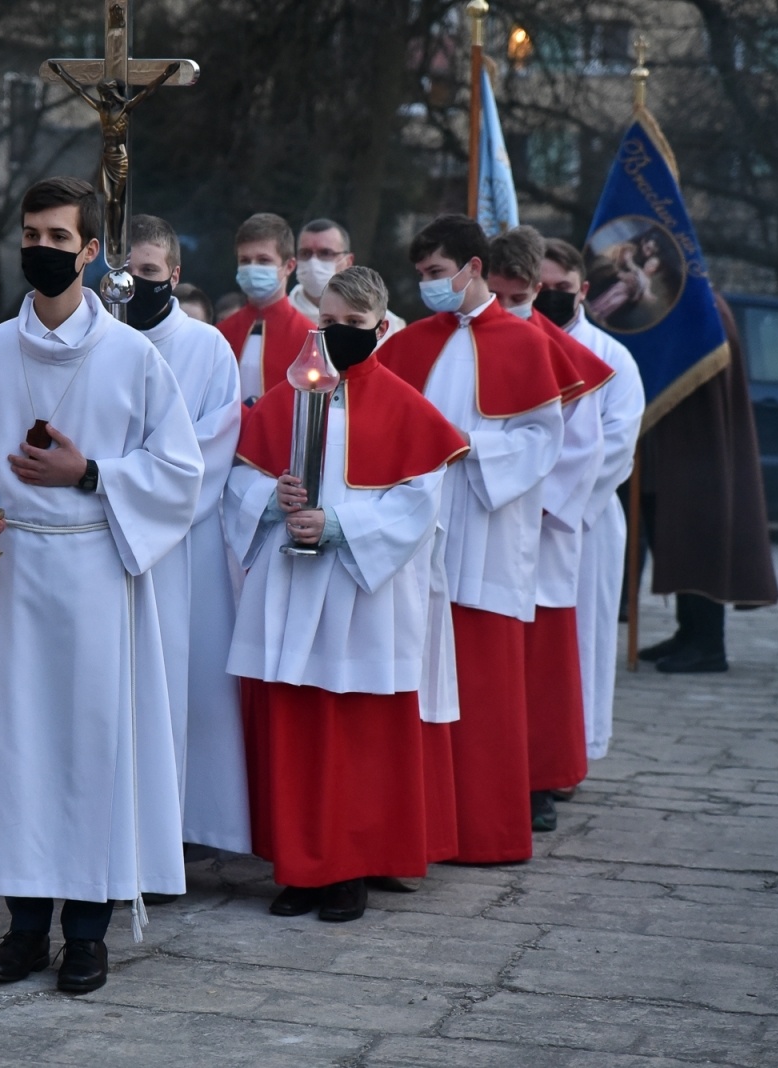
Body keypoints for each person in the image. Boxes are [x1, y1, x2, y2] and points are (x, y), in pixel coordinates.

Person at [0, 177, 203, 994]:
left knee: (88, 753)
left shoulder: (132, 358)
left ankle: (87, 934)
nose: (40, 249)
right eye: (30, 235)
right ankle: (22, 928)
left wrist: (90, 474)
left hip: (91, 577)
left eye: (57, 237)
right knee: (18, 752)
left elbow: (180, 473)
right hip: (9, 576)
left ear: (89, 252)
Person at [227, 266, 466, 920]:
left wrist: (340, 525)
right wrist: (271, 501)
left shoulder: (404, 405)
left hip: (362, 593)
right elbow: (238, 485)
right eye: (325, 323)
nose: (336, 335)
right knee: (295, 727)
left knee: (357, 736)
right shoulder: (283, 397)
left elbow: (418, 503)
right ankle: (299, 869)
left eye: (352, 326)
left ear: (380, 327)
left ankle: (349, 871)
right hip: (292, 586)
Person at [379, 214, 566, 865]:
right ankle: (426, 827)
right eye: (421, 276)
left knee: (484, 693)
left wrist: (471, 449)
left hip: (486, 529)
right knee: (419, 687)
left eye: (436, 274)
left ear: (474, 268)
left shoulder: (524, 343)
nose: (427, 286)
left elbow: (544, 438)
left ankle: (487, 834)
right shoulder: (408, 343)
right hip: (421, 531)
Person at [126, 214, 249, 862]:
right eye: (129, 272)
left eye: (151, 273)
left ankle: (185, 832)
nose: (139, 285)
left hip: (184, 546)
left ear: (173, 275)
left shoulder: (207, 349)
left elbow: (210, 450)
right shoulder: (101, 341)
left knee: (186, 686)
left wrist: (124, 489)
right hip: (107, 536)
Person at [486, 226, 614, 832]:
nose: (507, 307)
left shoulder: (557, 351)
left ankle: (538, 781)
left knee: (537, 666)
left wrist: (522, 499)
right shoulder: (470, 342)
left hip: (534, 531)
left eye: (518, 297)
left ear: (537, 290)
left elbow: (581, 449)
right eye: (497, 294)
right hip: (477, 528)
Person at [537, 238, 643, 762]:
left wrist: (547, 498)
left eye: (562, 288)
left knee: (585, 636)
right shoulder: (516, 345)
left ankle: (579, 747)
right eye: (542, 287)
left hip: (585, 522)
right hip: (509, 519)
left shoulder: (613, 359)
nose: (552, 297)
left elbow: (617, 446)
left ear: (583, 290)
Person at [636, 293, 778, 672]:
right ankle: (689, 632)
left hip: (698, 454)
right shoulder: (668, 304)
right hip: (665, 450)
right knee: (673, 541)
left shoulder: (706, 305)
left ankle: (708, 643)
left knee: (697, 543)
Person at [215, 213, 317, 406]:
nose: (252, 268)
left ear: (289, 266)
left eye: (263, 260)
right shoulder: (221, 333)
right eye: (245, 260)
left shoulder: (309, 339)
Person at [288, 218, 406, 339]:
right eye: (305, 253)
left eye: (325, 253)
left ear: (348, 262)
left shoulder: (386, 326)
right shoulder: (280, 317)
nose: (313, 262)